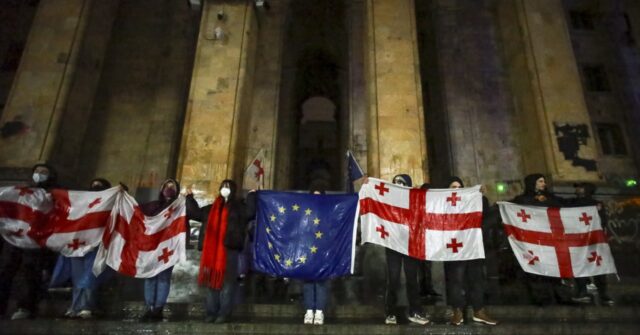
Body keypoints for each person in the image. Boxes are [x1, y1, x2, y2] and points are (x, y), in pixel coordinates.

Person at [0, 163, 58, 320]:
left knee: (30, 273)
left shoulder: (55, 195)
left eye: (44, 172)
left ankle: (25, 307)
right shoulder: (18, 191)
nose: (39, 174)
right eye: (37, 171)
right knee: (4, 272)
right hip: (12, 238)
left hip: (35, 242)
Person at [195, 179, 254, 323]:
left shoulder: (239, 207)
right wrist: (190, 198)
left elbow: (250, 212)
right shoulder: (211, 208)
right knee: (212, 283)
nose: (225, 189)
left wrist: (252, 196)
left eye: (228, 187)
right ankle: (211, 312)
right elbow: (195, 213)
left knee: (227, 283)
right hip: (212, 250)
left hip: (229, 249)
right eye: (223, 186)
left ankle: (224, 313)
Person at [139, 178, 197, 321]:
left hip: (169, 247)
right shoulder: (153, 206)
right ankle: (150, 307)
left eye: (172, 186)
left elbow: (194, 213)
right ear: (161, 189)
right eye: (167, 186)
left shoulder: (180, 206)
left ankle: (158, 308)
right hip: (152, 247)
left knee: (164, 278)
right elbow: (136, 213)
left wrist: (189, 198)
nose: (169, 189)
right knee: (150, 277)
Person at [443, 177, 498, 326]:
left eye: (460, 186)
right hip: (455, 247)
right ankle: (457, 312)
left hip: (473, 246)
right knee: (456, 280)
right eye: (453, 186)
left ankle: (478, 311)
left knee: (476, 279)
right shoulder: (442, 203)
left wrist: (478, 195)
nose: (457, 189)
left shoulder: (475, 200)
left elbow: (487, 217)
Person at [510, 173, 570, 305]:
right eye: (540, 181)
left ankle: (559, 295)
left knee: (553, 267)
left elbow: (563, 207)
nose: (544, 184)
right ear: (533, 183)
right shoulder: (522, 199)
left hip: (550, 240)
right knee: (536, 269)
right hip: (532, 241)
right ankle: (540, 297)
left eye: (544, 181)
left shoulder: (551, 198)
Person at [59, 178, 113, 319]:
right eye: (93, 185)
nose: (95, 187)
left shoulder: (110, 205)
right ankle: (75, 306)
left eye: (99, 186)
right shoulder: (81, 203)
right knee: (78, 278)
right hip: (77, 245)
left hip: (96, 245)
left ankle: (86, 306)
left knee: (90, 277)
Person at [382, 174, 429, 325]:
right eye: (395, 182)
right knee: (393, 279)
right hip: (393, 245)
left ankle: (415, 311)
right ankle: (390, 312)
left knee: (412, 279)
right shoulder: (388, 201)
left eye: (401, 183)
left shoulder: (415, 201)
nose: (398, 185)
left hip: (410, 245)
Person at [568, 182, 614, 306]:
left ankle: (596, 293)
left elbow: (602, 222)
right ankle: (596, 294)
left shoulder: (585, 204)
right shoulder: (594, 205)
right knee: (588, 266)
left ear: (587, 189)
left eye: (580, 187)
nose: (577, 189)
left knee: (593, 266)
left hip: (590, 240)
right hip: (584, 240)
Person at [302, 187, 328, 325]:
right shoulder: (305, 213)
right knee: (308, 282)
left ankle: (319, 311)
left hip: (322, 252)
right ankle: (309, 310)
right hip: (307, 251)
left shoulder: (327, 213)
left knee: (321, 282)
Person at [418, 183, 441, 299]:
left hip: (429, 240)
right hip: (419, 240)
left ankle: (428, 288)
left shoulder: (433, 206)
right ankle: (423, 289)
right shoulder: (419, 205)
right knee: (421, 267)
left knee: (427, 266)